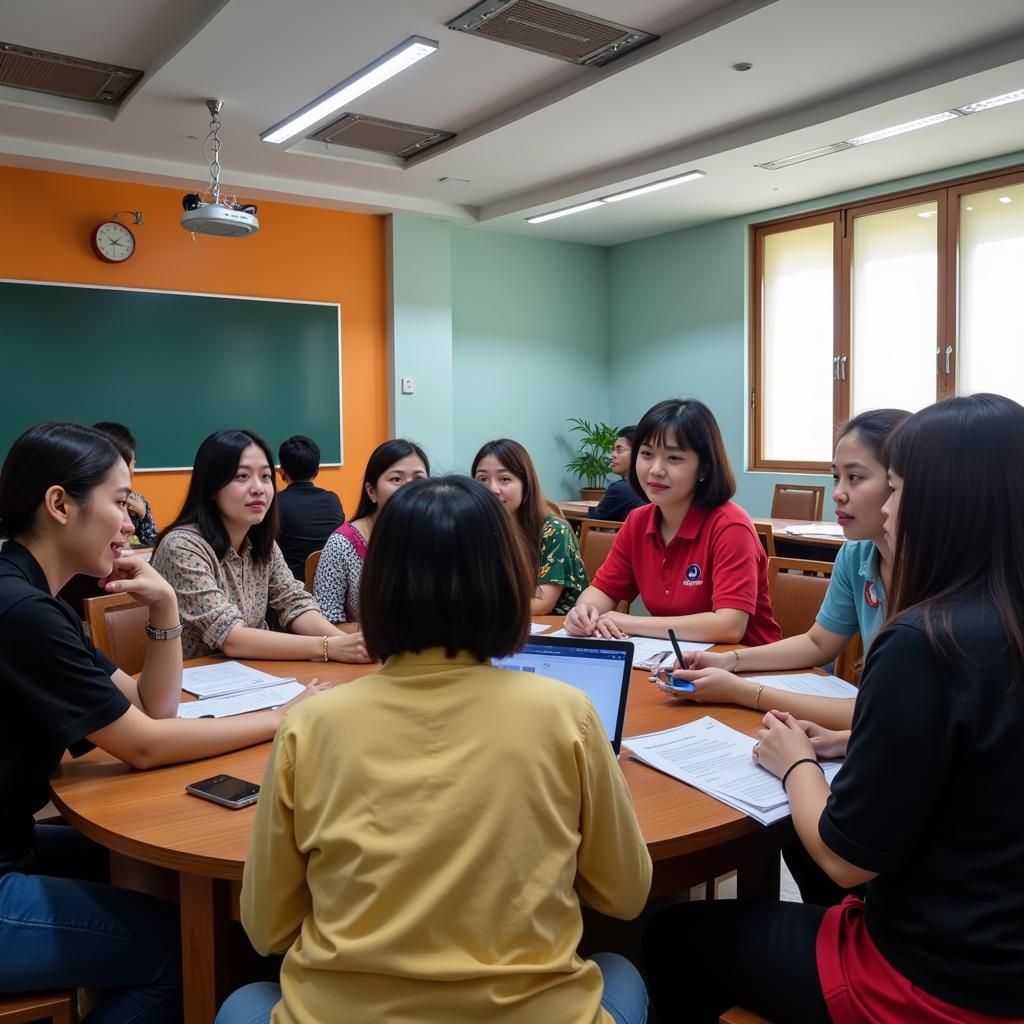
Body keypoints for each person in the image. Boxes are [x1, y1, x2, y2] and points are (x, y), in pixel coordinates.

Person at [643, 394, 1024, 1024]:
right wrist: (852, 742)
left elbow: (849, 858)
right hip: (999, 949)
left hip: (931, 983)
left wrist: (796, 763)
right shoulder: (996, 617)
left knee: (671, 938)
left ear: (949, 501)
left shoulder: (928, 640)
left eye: (893, 488)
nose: (884, 507)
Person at [217, 475, 653, 1024]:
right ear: (508, 581)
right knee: (620, 968)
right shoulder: (568, 715)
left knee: (242, 1003)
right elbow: (625, 896)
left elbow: (267, 928)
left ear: (377, 584)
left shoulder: (308, 727)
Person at [0, 422, 327, 1023]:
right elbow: (145, 744)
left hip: (14, 844)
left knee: (154, 870)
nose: (132, 524)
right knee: (175, 949)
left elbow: (154, 705)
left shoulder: (35, 598)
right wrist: (283, 718)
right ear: (58, 505)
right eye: (121, 503)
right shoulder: (21, 612)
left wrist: (166, 607)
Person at [663, 408, 909, 731]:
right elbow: (819, 643)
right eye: (836, 477)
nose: (838, 493)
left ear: (898, 482)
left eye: (856, 477)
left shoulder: (940, 571)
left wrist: (743, 692)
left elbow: (889, 711)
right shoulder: (857, 553)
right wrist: (729, 661)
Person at [565, 399, 780, 645]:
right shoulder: (638, 521)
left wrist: (630, 622)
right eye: (646, 454)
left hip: (746, 668)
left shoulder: (730, 526)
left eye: (674, 458)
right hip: (675, 663)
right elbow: (603, 591)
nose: (656, 469)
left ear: (704, 469)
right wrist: (584, 611)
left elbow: (729, 626)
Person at [152, 428, 367, 662]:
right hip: (192, 686)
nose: (258, 488)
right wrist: (329, 648)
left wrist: (350, 647)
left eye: (265, 476)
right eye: (242, 476)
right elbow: (231, 638)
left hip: (255, 677)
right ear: (212, 487)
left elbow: (293, 602)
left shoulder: (262, 542)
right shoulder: (182, 547)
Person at [312, 439, 429, 627]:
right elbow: (326, 622)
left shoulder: (439, 536)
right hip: (365, 651)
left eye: (418, 479)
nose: (410, 489)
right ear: (371, 491)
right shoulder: (342, 544)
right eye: (396, 479)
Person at [472, 439, 589, 616]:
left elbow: (543, 604)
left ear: (525, 484)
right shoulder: (477, 528)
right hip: (499, 627)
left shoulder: (553, 529)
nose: (492, 489)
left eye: (504, 479)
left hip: (555, 630)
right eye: (482, 479)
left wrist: (477, 611)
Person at [275, 435, 344, 579]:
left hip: (291, 587)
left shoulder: (275, 503)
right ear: (317, 471)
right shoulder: (333, 500)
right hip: (330, 583)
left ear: (281, 471)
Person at [92, 421, 157, 546]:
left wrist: (143, 515)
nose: (132, 469)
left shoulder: (138, 501)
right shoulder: (87, 501)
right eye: (131, 463)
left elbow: (152, 542)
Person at [587, 426, 647, 522]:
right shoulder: (650, 486)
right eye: (613, 450)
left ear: (637, 453)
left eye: (619, 450)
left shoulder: (620, 489)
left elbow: (593, 520)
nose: (612, 455)